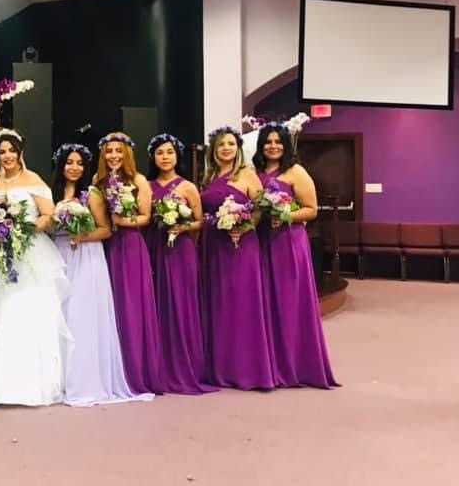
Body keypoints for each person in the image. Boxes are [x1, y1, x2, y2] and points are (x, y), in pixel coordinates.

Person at [0, 129, 71, 406]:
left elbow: (49, 216)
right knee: (2, 311)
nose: (7, 156)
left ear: (20, 153)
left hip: (31, 253)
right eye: (2, 151)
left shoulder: (33, 180)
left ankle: (36, 382)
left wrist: (22, 230)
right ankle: (2, 383)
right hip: (2, 255)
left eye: (11, 151)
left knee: (32, 310)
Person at [50, 143, 152, 407]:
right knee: (60, 313)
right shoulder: (52, 194)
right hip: (59, 254)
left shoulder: (91, 194)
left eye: (79, 163)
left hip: (86, 256)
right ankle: (57, 379)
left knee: (82, 315)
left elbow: (106, 229)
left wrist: (81, 237)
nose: (74, 168)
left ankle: (85, 378)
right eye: (69, 162)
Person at [254, 124, 338, 389]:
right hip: (261, 241)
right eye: (268, 142)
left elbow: (311, 209)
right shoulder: (254, 173)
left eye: (278, 141)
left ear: (286, 145)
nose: (273, 146)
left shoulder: (296, 172)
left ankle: (293, 364)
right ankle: (268, 363)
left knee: (288, 301)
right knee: (265, 301)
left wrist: (286, 215)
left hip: (288, 242)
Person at [199, 126, 277, 390]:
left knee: (242, 302)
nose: (226, 149)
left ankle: (247, 369)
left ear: (238, 148)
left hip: (241, 245)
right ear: (214, 149)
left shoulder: (247, 174)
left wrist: (244, 226)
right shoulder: (209, 176)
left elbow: (261, 208)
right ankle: (220, 367)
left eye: (231, 144)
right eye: (221, 144)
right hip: (214, 246)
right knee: (218, 303)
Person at [144, 134, 216, 395]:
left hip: (181, 251)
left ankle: (187, 367)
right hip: (155, 248)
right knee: (157, 305)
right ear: (153, 157)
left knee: (182, 305)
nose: (165, 157)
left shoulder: (187, 187)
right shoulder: (146, 186)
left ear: (177, 156)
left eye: (170, 152)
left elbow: (200, 221)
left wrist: (182, 226)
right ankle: (159, 368)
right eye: (160, 153)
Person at [94, 132, 161, 395]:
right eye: (109, 151)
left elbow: (145, 217)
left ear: (127, 154)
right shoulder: (97, 181)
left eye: (118, 151)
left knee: (131, 304)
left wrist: (122, 220)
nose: (113, 156)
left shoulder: (138, 180)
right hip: (105, 246)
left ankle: (137, 370)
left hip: (131, 245)